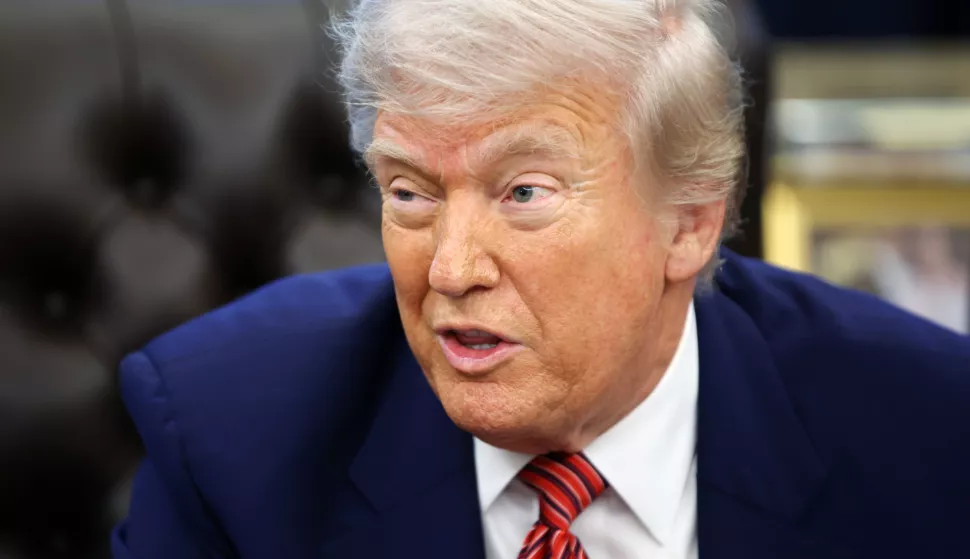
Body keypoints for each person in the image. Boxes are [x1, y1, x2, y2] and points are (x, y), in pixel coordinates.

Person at [111, 0, 970, 557]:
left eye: (524, 193)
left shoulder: (929, 436)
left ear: (690, 221)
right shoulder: (228, 433)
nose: (450, 268)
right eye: (409, 192)